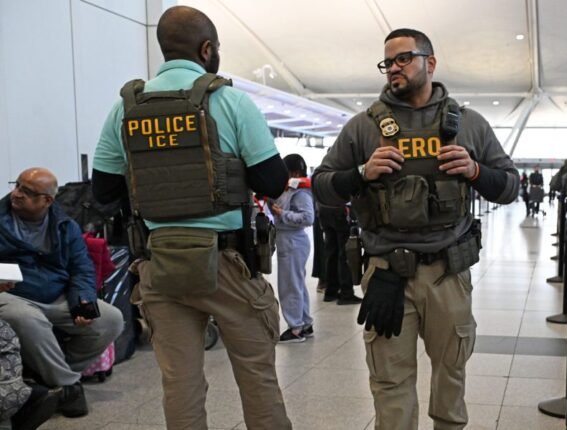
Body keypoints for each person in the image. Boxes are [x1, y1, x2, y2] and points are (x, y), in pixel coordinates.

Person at [91, 5, 291, 429]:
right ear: (207, 50)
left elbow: (104, 192)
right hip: (229, 265)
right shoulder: (231, 100)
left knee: (179, 384)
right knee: (256, 377)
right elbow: (272, 181)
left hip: (160, 264)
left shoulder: (124, 108)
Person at [312, 28, 518, 430]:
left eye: (403, 58)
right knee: (390, 383)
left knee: (450, 378)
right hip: (387, 274)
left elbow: (509, 186)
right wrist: (360, 173)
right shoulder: (362, 127)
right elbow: (323, 186)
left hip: (448, 273)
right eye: (388, 62)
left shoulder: (469, 124)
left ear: (431, 62)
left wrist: (476, 171)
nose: (394, 68)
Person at [0, 167, 123, 418]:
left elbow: (82, 267)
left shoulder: (65, 225)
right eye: (17, 186)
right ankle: (68, 386)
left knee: (111, 319)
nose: (17, 193)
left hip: (56, 295)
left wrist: (83, 300)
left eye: (27, 191)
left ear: (47, 200)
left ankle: (50, 377)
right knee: (27, 319)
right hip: (11, 294)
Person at [271, 154, 315, 343]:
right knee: (296, 284)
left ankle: (295, 328)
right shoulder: (290, 189)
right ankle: (304, 323)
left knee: (289, 286)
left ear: (294, 172)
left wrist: (282, 213)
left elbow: (307, 218)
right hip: (290, 241)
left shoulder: (300, 191)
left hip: (292, 240)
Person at [318, 201, 363, 305]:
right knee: (345, 254)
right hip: (341, 212)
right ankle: (346, 293)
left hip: (324, 210)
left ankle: (330, 291)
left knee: (331, 253)